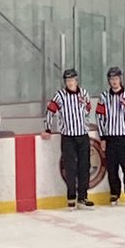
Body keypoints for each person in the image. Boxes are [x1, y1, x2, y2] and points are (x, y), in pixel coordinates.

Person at [43, 69, 94, 210]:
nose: (70, 83)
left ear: (76, 80)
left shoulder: (84, 94)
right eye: (67, 81)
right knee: (70, 167)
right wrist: (47, 128)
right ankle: (71, 197)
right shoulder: (60, 96)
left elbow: (88, 109)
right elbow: (50, 111)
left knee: (84, 166)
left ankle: (82, 197)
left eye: (72, 80)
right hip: (68, 137)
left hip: (83, 135)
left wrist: (86, 124)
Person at [96, 67, 125, 206]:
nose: (114, 81)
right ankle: (114, 193)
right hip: (110, 137)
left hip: (124, 136)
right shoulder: (104, 97)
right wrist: (102, 137)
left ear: (120, 79)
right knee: (112, 167)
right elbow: (99, 117)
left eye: (116, 78)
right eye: (111, 79)